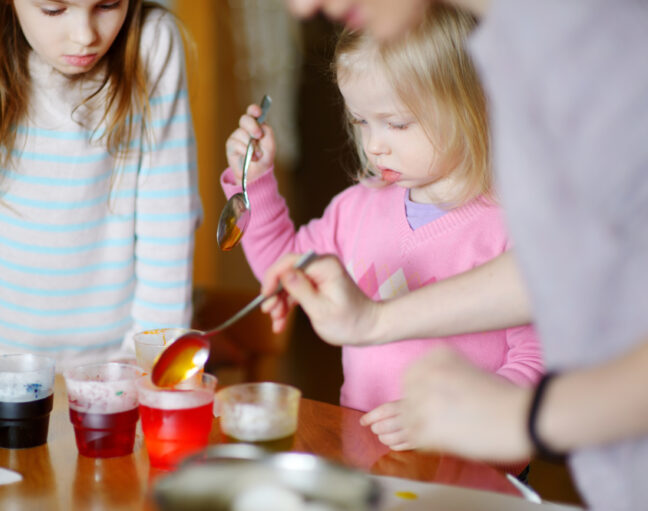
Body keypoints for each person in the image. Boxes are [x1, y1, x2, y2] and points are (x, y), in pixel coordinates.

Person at [266, 1, 648, 509]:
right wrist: (373, 322)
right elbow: (557, 268)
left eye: (397, 123)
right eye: (362, 121)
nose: (305, 7)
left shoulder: (608, 48)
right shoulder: (521, 48)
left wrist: (518, 418)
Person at [222, 5, 543, 417]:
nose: (374, 145)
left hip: (469, 468)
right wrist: (256, 180)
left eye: (397, 124)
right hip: (365, 449)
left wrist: (453, 414)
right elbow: (282, 270)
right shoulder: (356, 209)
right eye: (361, 121)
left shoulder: (514, 224)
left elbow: (535, 363)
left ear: (472, 104)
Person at [0, 0, 200, 374]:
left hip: (118, 371)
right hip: (5, 369)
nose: (85, 36)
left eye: (108, 5)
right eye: (53, 9)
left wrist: (154, 362)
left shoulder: (152, 42)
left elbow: (169, 220)